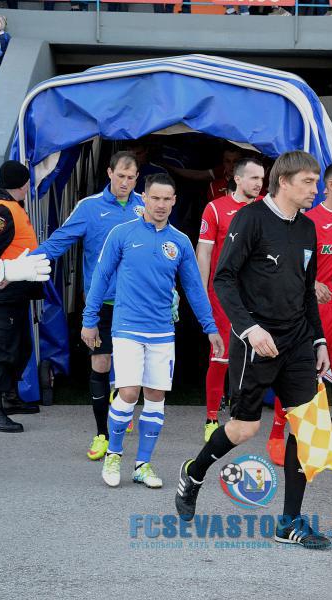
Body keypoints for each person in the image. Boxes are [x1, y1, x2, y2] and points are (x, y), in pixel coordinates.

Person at [174, 151, 332, 550]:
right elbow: (223, 279)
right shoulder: (250, 219)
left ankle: (289, 522)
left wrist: (318, 340)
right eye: (308, 182)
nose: (315, 189)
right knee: (245, 428)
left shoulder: (307, 228)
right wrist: (249, 328)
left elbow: (307, 290)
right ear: (284, 182)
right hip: (256, 341)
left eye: (316, 182)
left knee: (306, 427)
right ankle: (194, 471)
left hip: (298, 341)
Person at [82, 174, 223, 489]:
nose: (160, 204)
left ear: (174, 201)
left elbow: (194, 288)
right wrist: (89, 318)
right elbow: (100, 276)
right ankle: (114, 454)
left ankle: (142, 465)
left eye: (166, 199)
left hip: (162, 331)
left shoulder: (180, 241)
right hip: (127, 327)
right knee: (129, 393)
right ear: (143, 198)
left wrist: (210, 326)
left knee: (156, 397)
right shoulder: (122, 233)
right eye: (155, 198)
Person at [32, 151, 144, 461]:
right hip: (101, 303)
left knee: (132, 369)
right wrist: (19, 267)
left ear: (137, 178)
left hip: (137, 305)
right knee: (101, 364)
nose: (125, 182)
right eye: (120, 176)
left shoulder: (146, 207)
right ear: (109, 173)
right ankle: (102, 434)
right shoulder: (90, 207)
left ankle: (122, 406)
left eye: (130, 177)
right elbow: (58, 241)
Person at [267, 161, 332, 478]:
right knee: (301, 381)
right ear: (331, 186)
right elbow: (288, 268)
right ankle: (276, 433)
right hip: (311, 313)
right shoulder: (307, 221)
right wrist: (312, 283)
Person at [0, 161, 44, 433]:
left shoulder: (6, 205)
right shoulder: (2, 210)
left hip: (14, 290)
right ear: (24, 184)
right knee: (2, 349)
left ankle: (10, 397)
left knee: (21, 346)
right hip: (3, 290)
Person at [196, 157, 264, 442]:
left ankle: (242, 415)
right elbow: (204, 252)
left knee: (258, 355)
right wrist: (201, 294)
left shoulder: (266, 208)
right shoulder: (215, 208)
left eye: (262, 179)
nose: (259, 184)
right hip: (224, 294)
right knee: (221, 355)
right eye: (254, 178)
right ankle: (212, 417)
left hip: (258, 295)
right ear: (237, 179)